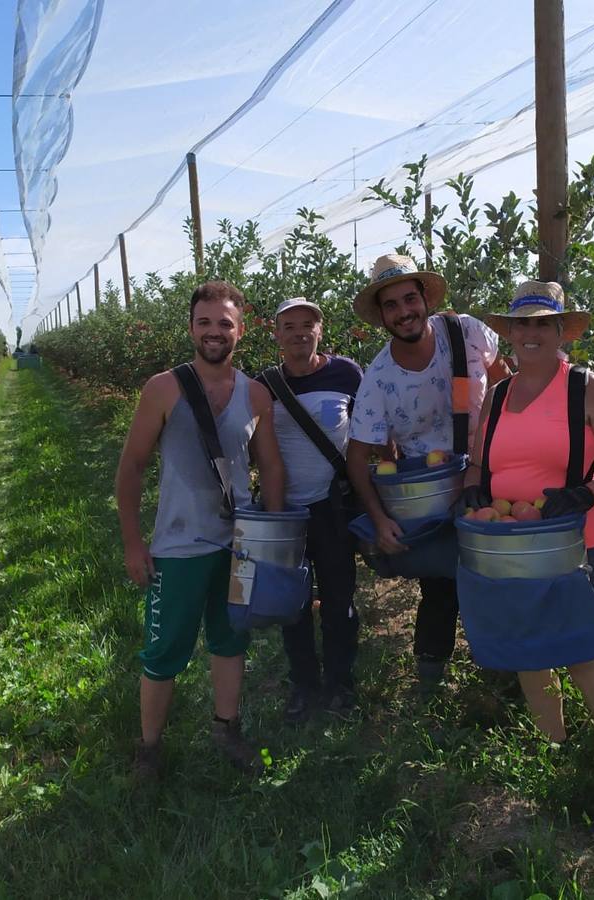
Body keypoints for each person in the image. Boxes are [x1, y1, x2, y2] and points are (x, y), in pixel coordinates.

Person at [466, 279, 594, 844]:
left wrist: (587, 494)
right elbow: (479, 461)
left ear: (561, 332)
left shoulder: (584, 388)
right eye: (521, 324)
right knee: (531, 651)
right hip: (510, 543)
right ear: (508, 332)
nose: (530, 333)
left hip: (568, 549)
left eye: (542, 324)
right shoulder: (500, 393)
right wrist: (473, 489)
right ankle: (550, 749)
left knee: (586, 661)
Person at [115, 280, 285, 780]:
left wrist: (271, 539)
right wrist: (132, 542)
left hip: (239, 546)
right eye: (205, 323)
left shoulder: (255, 395)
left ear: (241, 330)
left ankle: (226, 728)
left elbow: (271, 467)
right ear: (191, 327)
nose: (215, 333)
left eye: (225, 324)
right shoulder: (163, 388)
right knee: (165, 647)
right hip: (178, 546)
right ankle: (150, 746)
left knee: (231, 640)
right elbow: (131, 468)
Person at [345, 254, 506, 688]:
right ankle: (430, 682)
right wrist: (379, 519)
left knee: (497, 580)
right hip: (433, 498)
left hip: (494, 476)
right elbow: (357, 456)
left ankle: (503, 677)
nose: (404, 312)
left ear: (425, 300)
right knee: (440, 585)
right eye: (391, 305)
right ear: (381, 316)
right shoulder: (378, 379)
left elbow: (505, 382)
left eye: (409, 299)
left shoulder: (468, 333)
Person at [256, 297, 364, 723]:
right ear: (276, 335)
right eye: (290, 326)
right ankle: (303, 682)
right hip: (284, 510)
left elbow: (372, 427)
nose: (299, 332)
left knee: (339, 599)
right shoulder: (261, 385)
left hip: (333, 506)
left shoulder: (346, 373)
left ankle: (340, 682)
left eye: (308, 324)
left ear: (321, 330)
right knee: (293, 602)